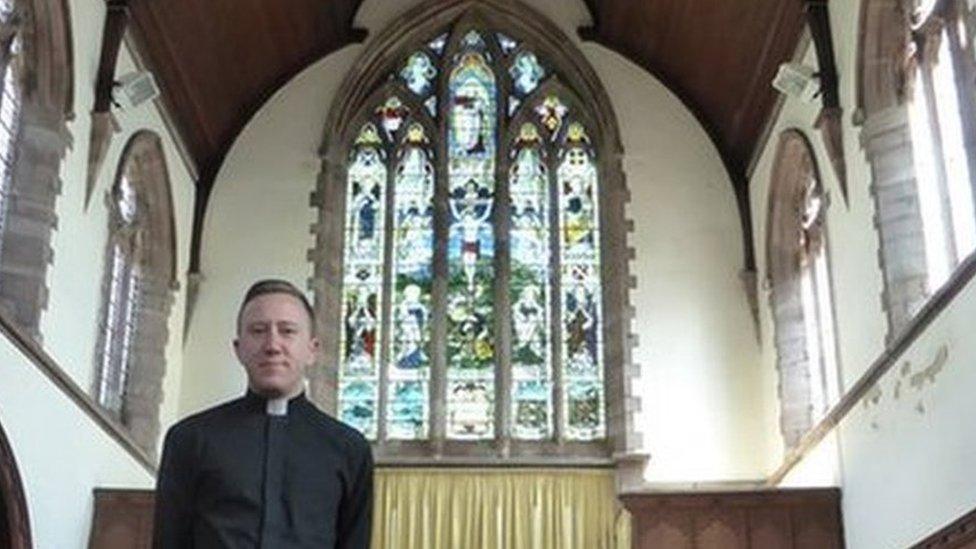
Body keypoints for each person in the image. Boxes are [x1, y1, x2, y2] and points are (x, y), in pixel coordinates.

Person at [153, 279, 373, 548]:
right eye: (258, 331)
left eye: (287, 331)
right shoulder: (190, 439)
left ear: (312, 350)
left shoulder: (349, 449)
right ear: (239, 348)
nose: (272, 345)